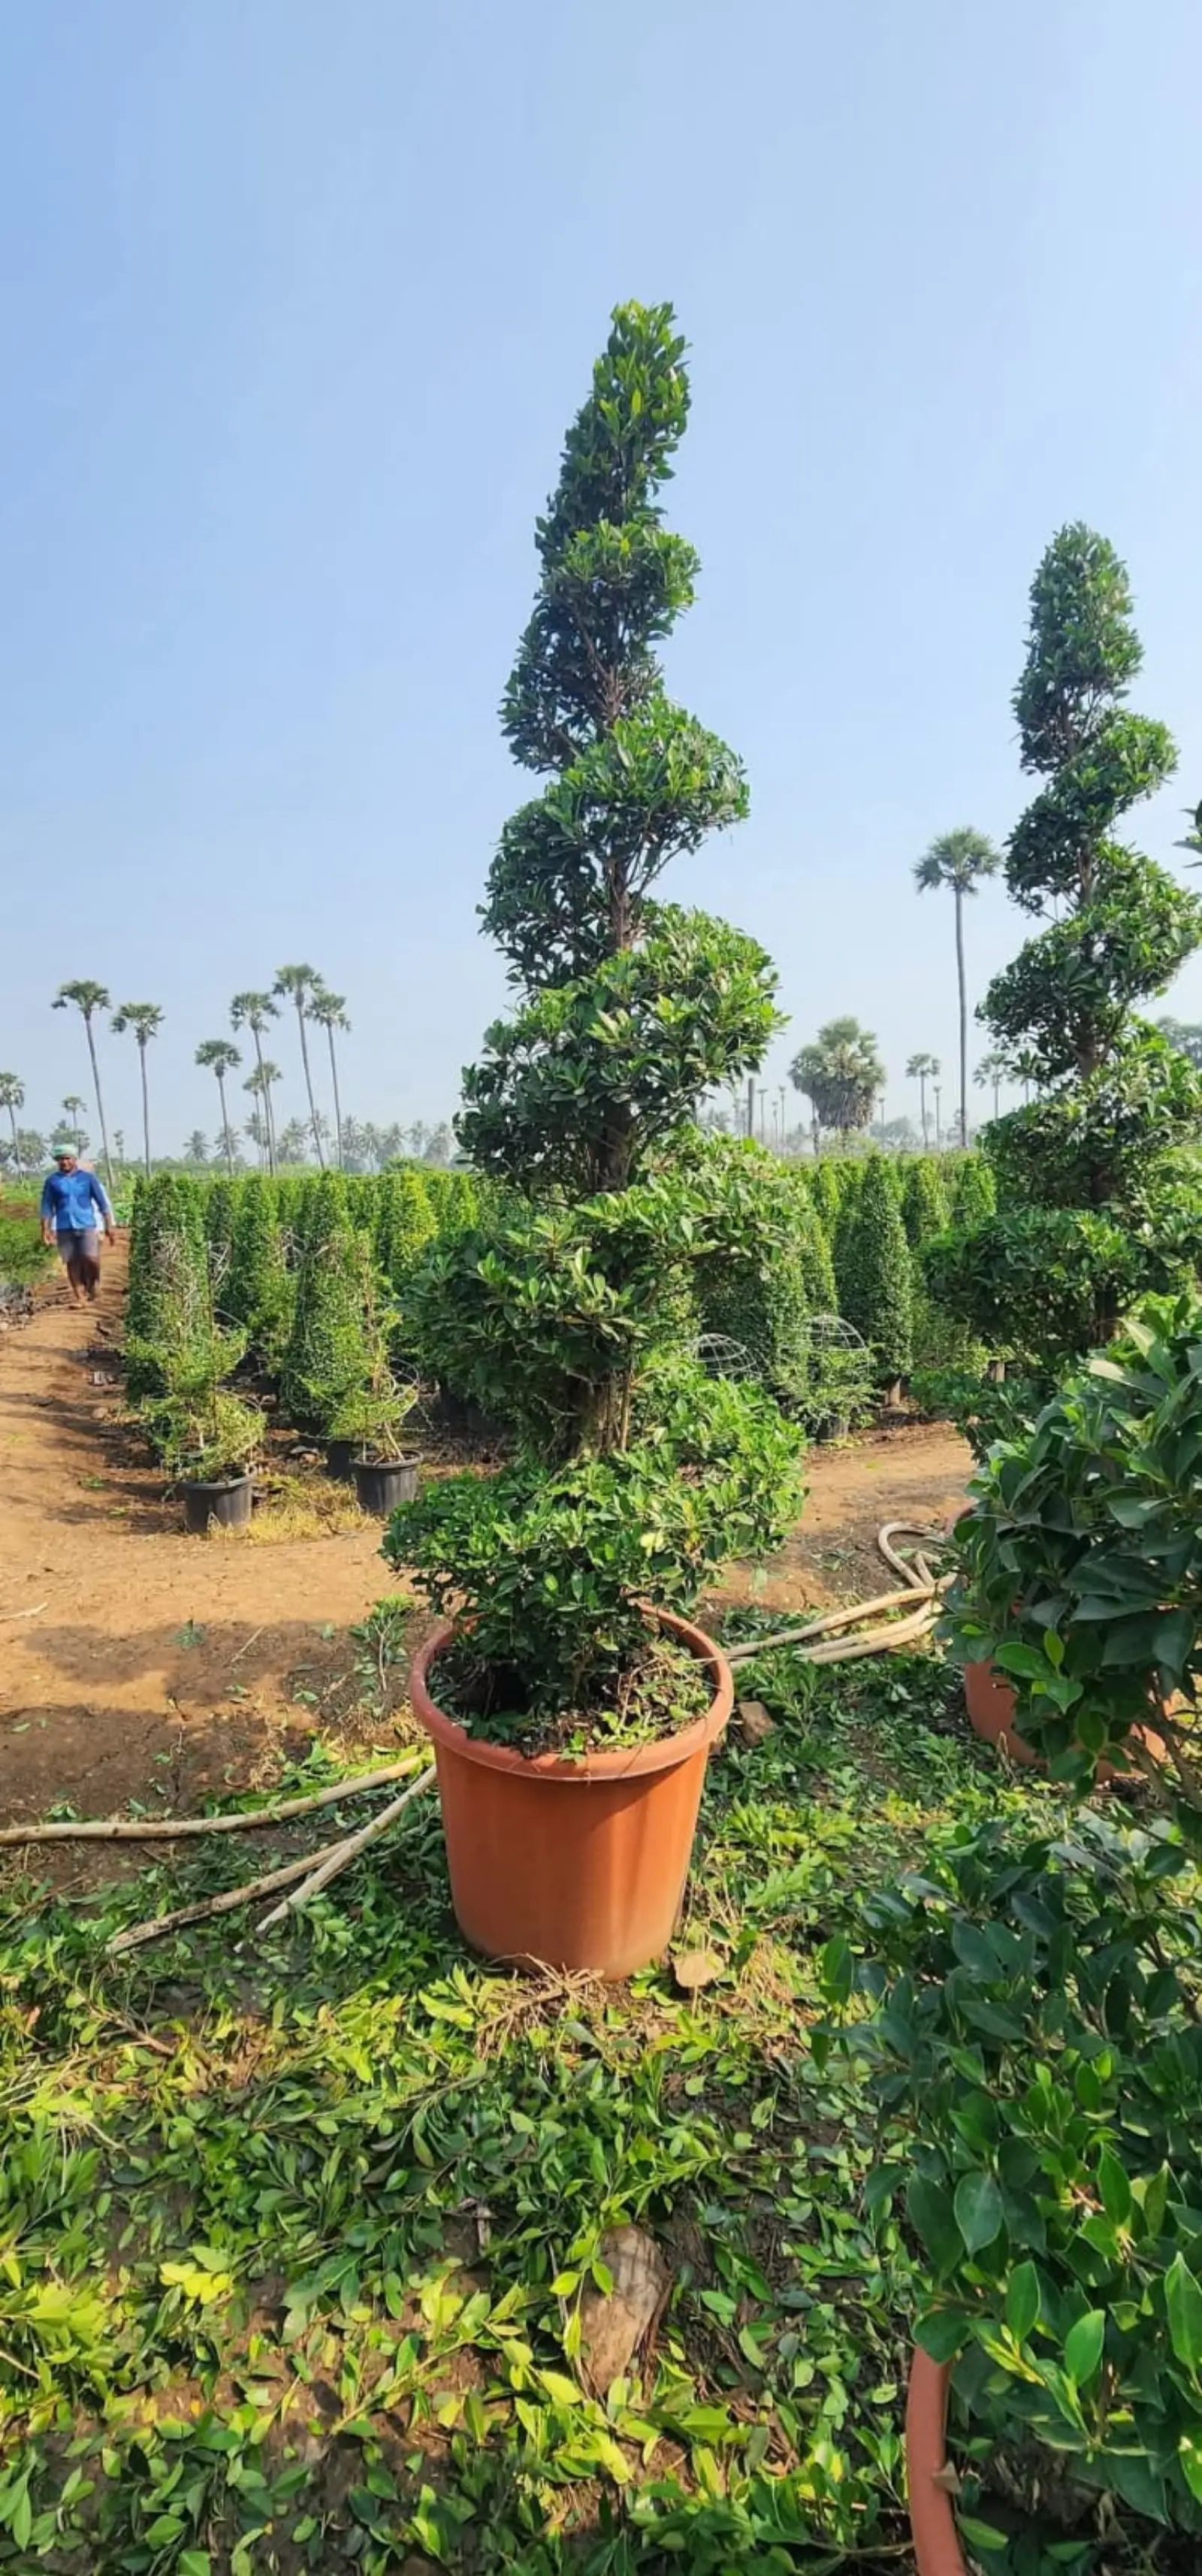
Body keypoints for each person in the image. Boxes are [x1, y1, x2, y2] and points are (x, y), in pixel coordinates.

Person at [40, 1147, 116, 1305]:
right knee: (72, 1261)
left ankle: (94, 1283)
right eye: (61, 1159)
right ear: (57, 1162)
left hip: (86, 1224)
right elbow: (47, 1206)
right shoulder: (52, 1181)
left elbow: (102, 1203)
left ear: (74, 1160)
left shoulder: (87, 1179)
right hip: (64, 1226)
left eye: (68, 1158)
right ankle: (80, 1297)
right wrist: (45, 1229)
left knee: (91, 1258)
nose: (64, 1162)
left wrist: (109, 1226)